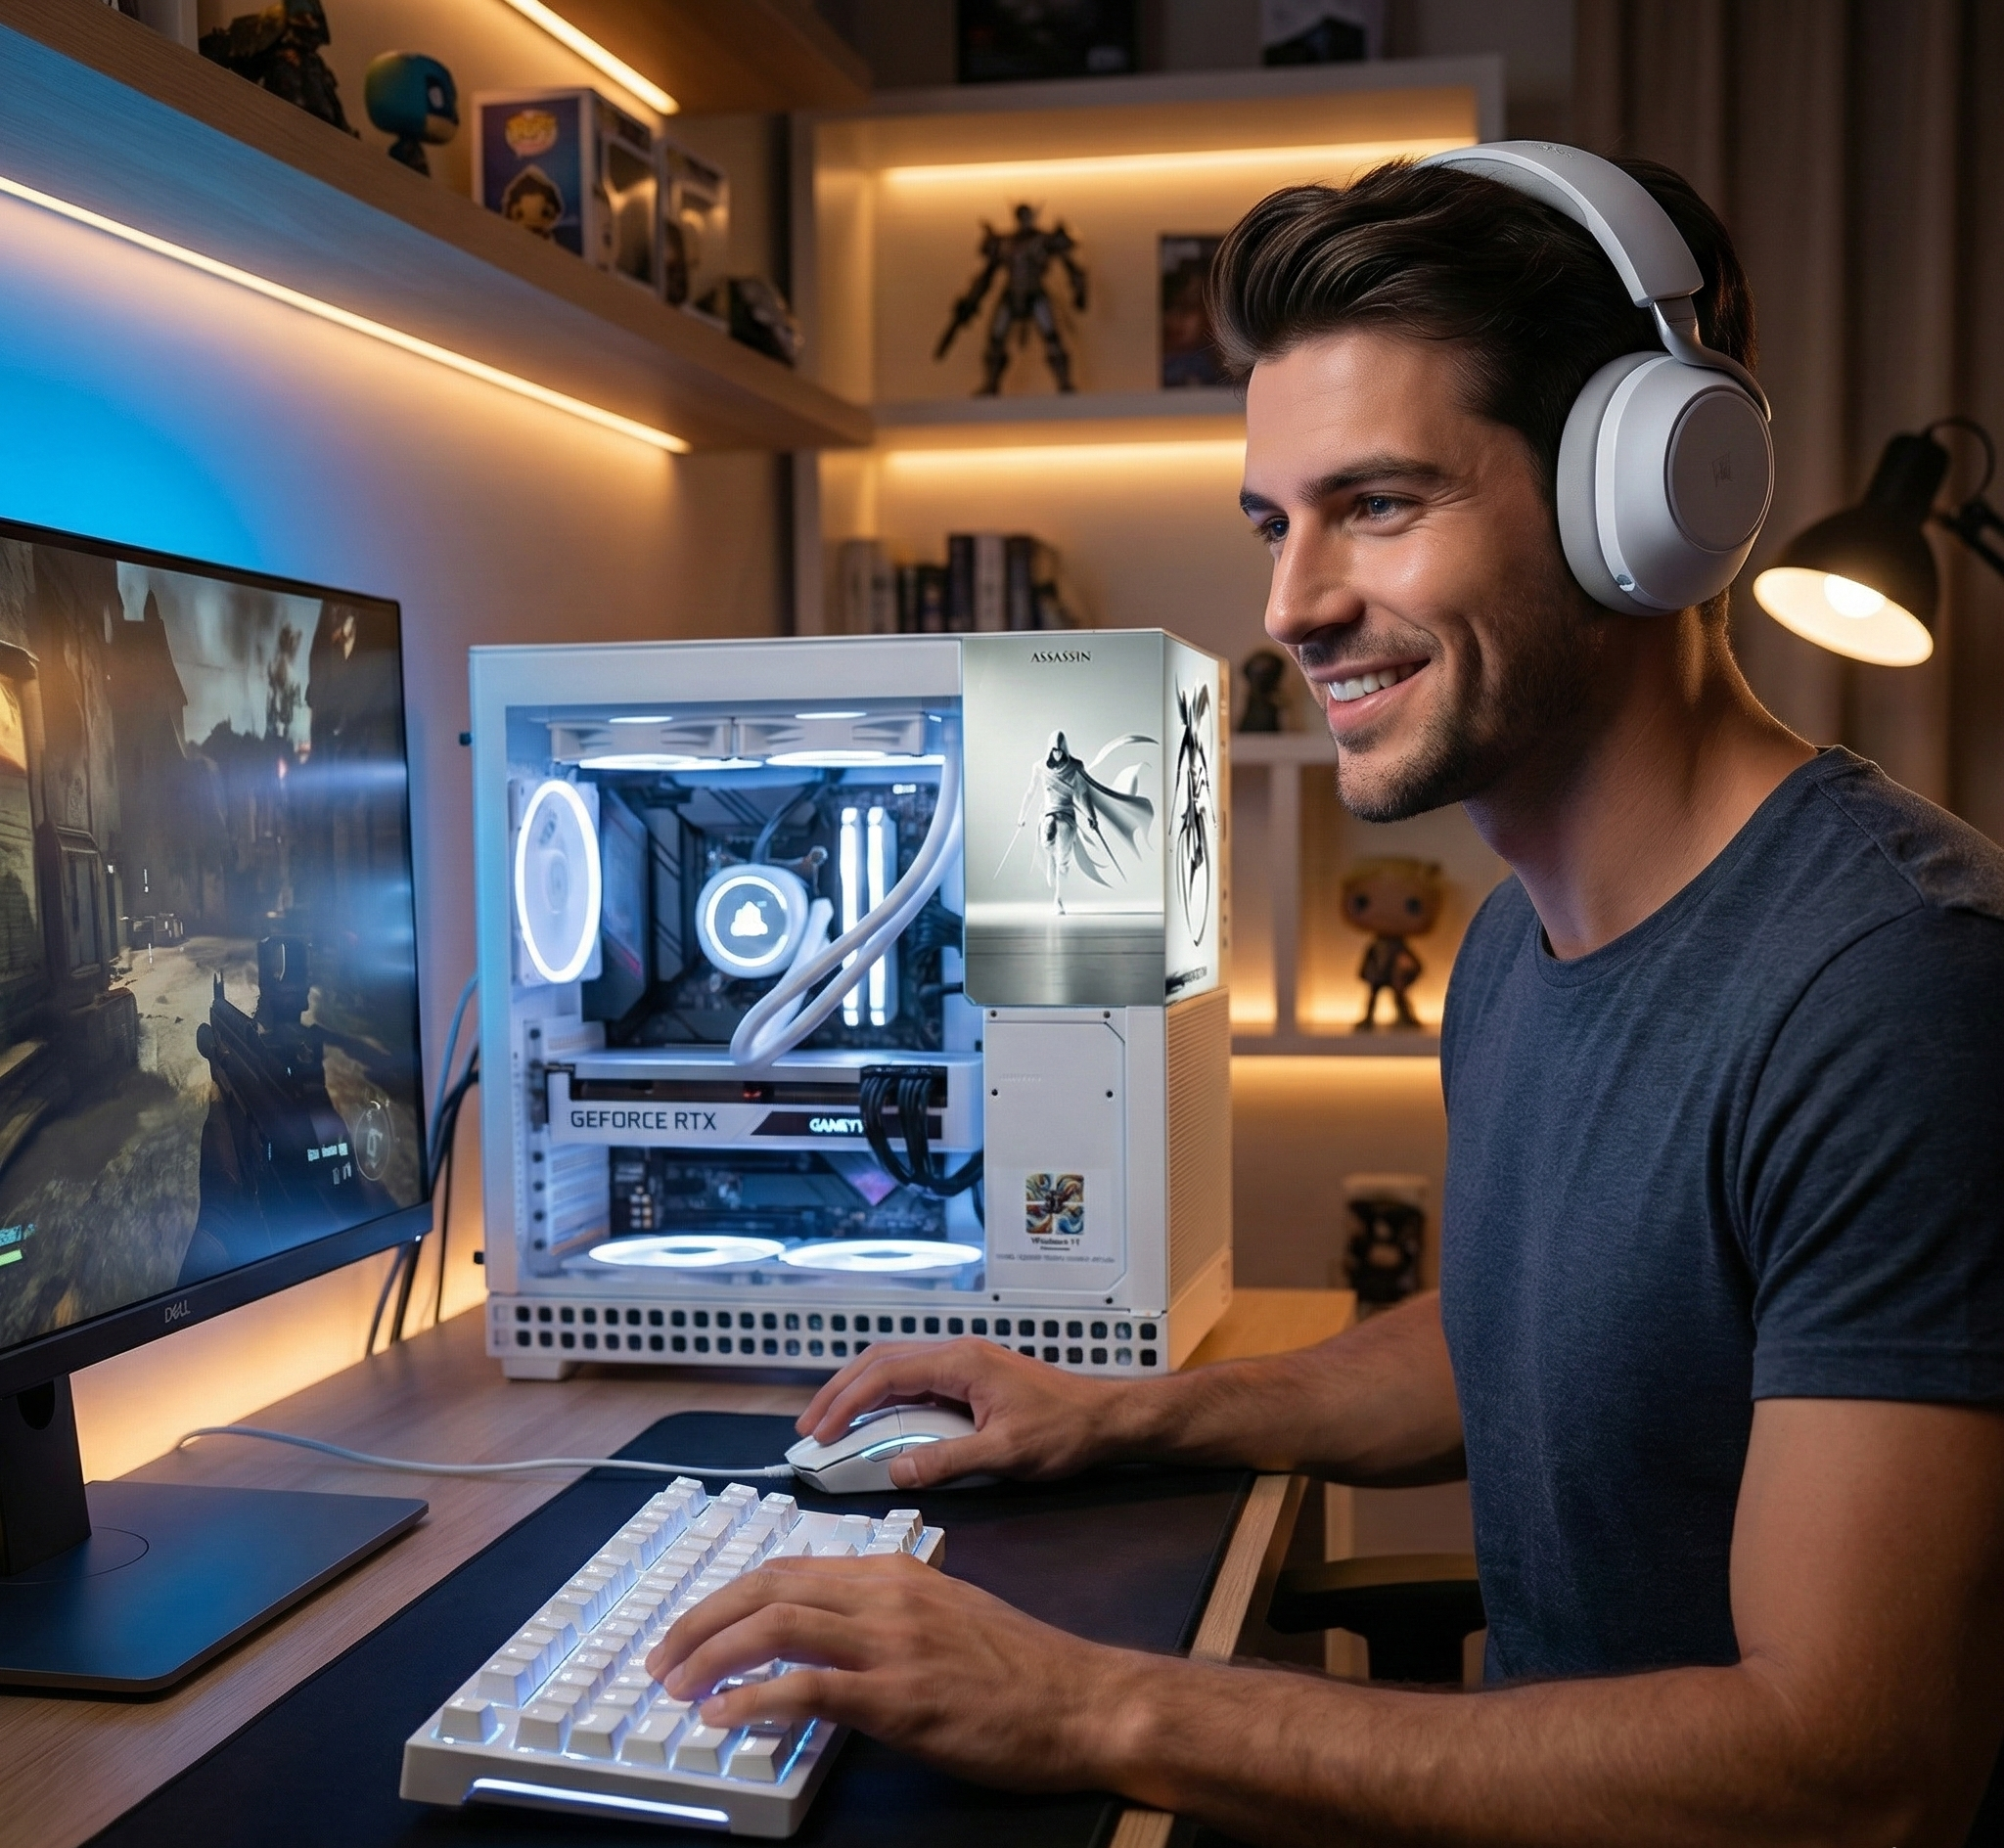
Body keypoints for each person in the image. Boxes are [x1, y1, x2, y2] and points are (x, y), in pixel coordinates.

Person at [647, 151, 2004, 1846]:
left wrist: (1091, 1703)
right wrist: (1118, 1416)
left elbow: (1855, 1776)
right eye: (1274, 525)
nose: (1291, 606)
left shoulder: (1895, 995)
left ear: (1640, 501)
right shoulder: (1513, 949)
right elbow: (1525, 1337)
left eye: (1378, 504)